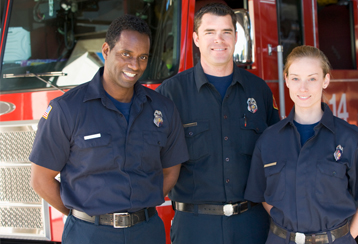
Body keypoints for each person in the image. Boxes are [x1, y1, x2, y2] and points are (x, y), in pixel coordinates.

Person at [29, 14, 189, 244]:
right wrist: (85, 215)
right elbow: (40, 179)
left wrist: (138, 207)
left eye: (142, 57)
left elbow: (171, 171)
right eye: (126, 54)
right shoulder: (67, 109)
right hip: (89, 234)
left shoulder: (163, 109)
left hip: (146, 232)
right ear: (106, 50)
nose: (134, 65)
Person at [156, 3, 280, 244]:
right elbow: (150, 159)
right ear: (196, 39)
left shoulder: (259, 90)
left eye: (226, 32)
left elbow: (278, 157)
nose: (219, 40)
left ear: (236, 37)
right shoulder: (170, 94)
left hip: (252, 224)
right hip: (194, 226)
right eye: (210, 32)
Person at [244, 45, 358, 244]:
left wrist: (342, 239)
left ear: (325, 80)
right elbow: (262, 195)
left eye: (312, 78)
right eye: (295, 79)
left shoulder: (349, 138)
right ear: (286, 80)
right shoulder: (269, 140)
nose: (303, 88)